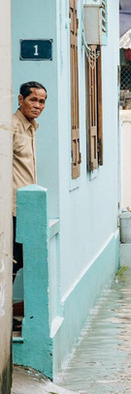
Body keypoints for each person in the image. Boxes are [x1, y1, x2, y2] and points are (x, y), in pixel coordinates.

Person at [13, 82, 47, 284]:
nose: (37, 105)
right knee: (13, 261)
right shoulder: (11, 127)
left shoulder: (31, 128)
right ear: (20, 99)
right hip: (13, 210)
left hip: (27, 209)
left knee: (24, 260)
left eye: (41, 102)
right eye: (32, 99)